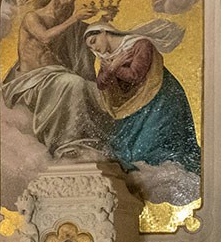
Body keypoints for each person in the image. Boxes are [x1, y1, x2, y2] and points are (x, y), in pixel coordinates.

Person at [83, 17, 202, 187]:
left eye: (93, 41)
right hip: (133, 106)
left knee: (149, 149)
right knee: (124, 148)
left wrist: (114, 68)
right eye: (90, 47)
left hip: (161, 100)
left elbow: (135, 75)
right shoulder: (108, 58)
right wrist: (112, 67)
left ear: (104, 32)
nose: (94, 48)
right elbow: (101, 83)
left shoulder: (141, 45)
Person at [0, 0, 110, 158]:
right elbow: (45, 37)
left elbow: (83, 38)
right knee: (73, 83)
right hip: (31, 79)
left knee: (96, 92)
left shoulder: (66, 24)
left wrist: (103, 21)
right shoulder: (33, 17)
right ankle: (66, 143)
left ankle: (90, 142)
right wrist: (74, 18)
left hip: (54, 75)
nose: (69, 0)